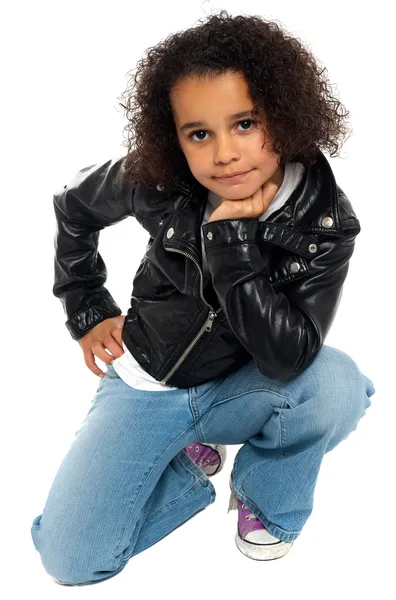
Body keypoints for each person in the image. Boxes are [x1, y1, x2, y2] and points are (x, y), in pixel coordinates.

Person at [30, 10, 375, 585]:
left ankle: (263, 496)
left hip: (243, 383)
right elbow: (73, 207)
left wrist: (231, 242)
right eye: (199, 134)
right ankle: (186, 464)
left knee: (337, 384)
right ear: (175, 139)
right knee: (70, 562)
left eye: (245, 123)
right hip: (148, 384)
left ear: (285, 116)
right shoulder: (156, 178)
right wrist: (87, 306)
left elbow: (288, 358)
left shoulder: (324, 221)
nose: (225, 154)